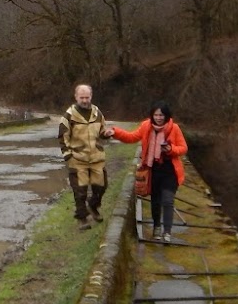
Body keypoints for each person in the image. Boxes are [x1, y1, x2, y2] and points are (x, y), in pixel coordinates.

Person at [109, 101, 188, 243]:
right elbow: (131, 137)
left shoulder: (174, 128)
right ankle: (156, 227)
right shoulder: (146, 126)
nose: (158, 118)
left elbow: (183, 148)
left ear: (166, 115)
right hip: (153, 170)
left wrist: (171, 150)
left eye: (161, 115)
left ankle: (167, 232)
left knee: (168, 201)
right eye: (156, 115)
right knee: (155, 201)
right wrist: (115, 132)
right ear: (152, 115)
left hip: (170, 171)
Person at [58, 83, 110, 230]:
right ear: (76, 97)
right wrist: (68, 156)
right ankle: (82, 218)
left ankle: (93, 206)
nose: (85, 100)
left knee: (101, 186)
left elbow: (102, 130)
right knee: (79, 191)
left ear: (91, 96)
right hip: (77, 159)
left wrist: (106, 134)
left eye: (87, 97)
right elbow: (63, 138)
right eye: (82, 97)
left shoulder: (97, 112)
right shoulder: (69, 115)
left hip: (96, 158)